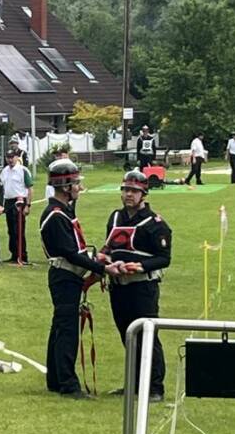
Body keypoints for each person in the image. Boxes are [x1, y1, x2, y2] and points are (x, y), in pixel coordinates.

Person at [101, 170, 172, 403]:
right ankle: (134, 384)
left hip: (142, 287)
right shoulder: (115, 217)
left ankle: (155, 388)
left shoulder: (155, 224)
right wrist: (104, 260)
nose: (129, 195)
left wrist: (139, 266)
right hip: (118, 286)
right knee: (127, 335)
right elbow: (109, 247)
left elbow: (164, 258)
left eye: (134, 191)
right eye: (125, 190)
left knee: (147, 335)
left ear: (144, 194)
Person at [39, 158, 107, 398]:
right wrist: (100, 267)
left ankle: (55, 379)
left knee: (60, 326)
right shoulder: (56, 216)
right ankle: (68, 384)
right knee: (67, 330)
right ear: (66, 187)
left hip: (68, 276)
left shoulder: (63, 212)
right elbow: (70, 253)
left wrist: (95, 259)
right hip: (65, 276)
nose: (80, 187)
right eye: (76, 183)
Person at [0, 148, 34, 264]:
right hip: (8, 201)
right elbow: (2, 188)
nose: (10, 160)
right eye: (8, 157)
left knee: (19, 230)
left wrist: (28, 205)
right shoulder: (4, 171)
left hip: (19, 201)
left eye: (12, 157)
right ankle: (14, 254)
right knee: (11, 230)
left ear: (17, 157)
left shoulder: (23, 170)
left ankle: (22, 256)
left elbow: (30, 189)